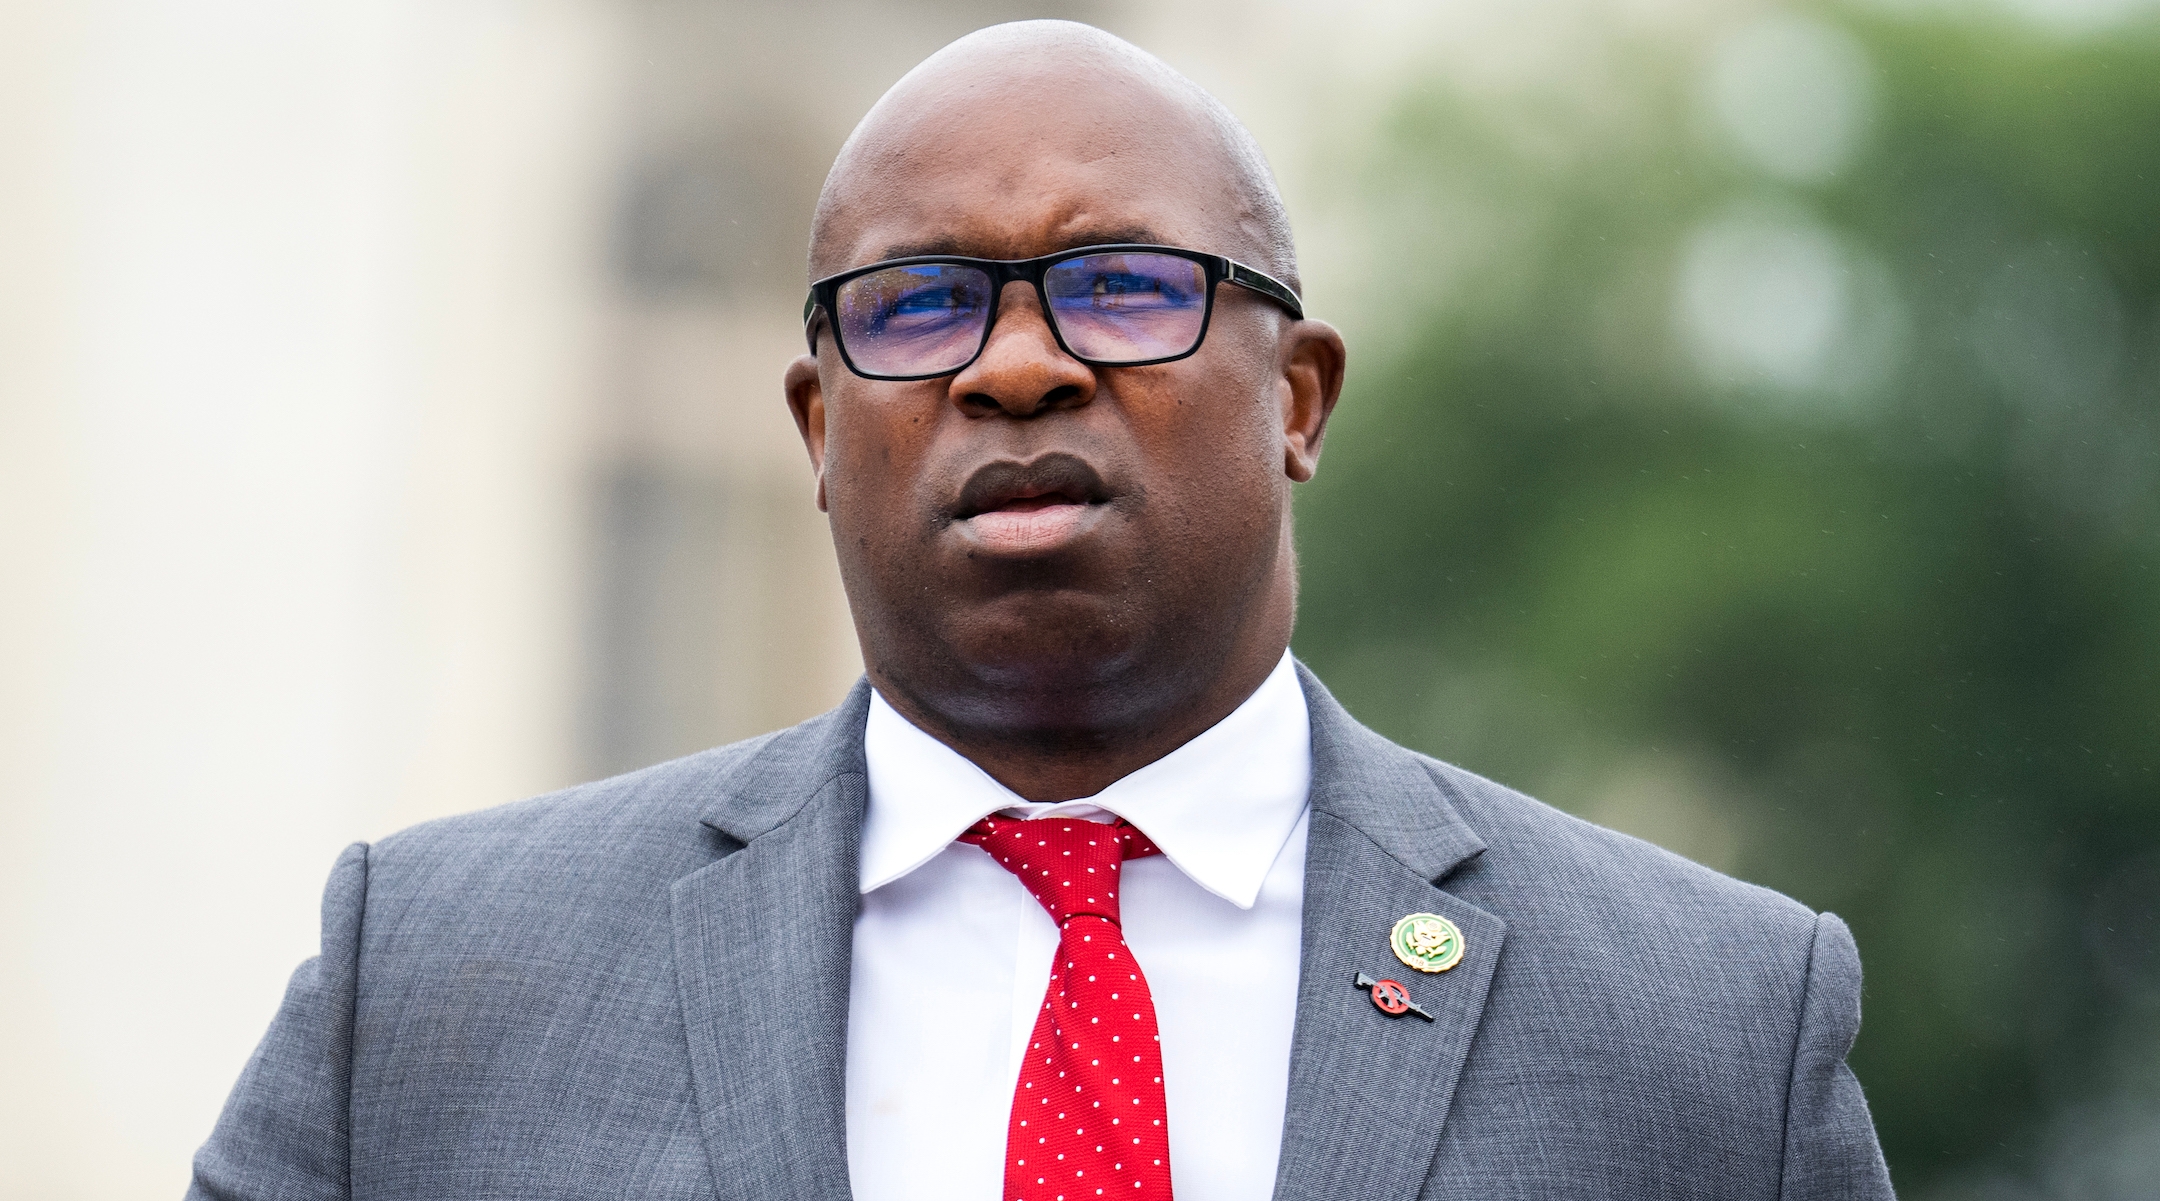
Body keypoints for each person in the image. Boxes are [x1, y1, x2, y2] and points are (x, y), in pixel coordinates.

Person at [189, 20, 1893, 1201]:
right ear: (816, 427)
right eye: (919, 304)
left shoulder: (1708, 1028)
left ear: (1298, 397)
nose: (1018, 364)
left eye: (1124, 285)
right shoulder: (432, 988)